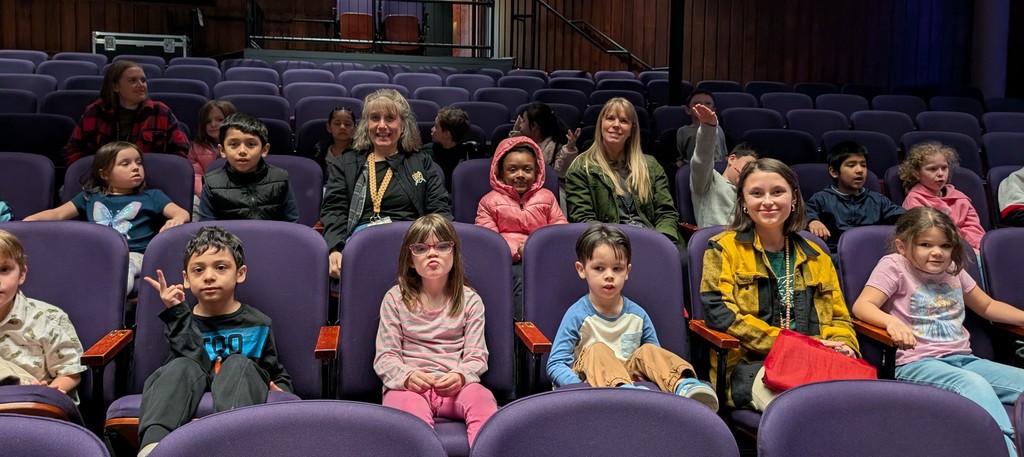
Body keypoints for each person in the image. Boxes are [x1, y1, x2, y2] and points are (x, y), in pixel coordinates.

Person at [851, 207, 1024, 457]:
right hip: (917, 363)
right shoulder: (895, 265)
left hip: (965, 361)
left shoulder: (953, 269)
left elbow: (987, 306)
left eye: (945, 246)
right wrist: (891, 323)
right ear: (902, 246)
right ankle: (1008, 447)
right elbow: (862, 305)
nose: (937, 252)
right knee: (973, 385)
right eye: (925, 244)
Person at [700, 158, 859, 411]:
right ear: (743, 201)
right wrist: (795, 347)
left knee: (861, 410)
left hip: (818, 363)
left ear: (793, 197)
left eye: (777, 192)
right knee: (800, 411)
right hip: (751, 366)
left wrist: (845, 346)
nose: (767, 201)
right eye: (756, 193)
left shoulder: (817, 256)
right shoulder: (723, 248)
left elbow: (839, 318)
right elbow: (720, 314)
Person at [136, 226, 292, 457]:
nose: (209, 276)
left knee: (238, 363)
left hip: (238, 403)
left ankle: (234, 449)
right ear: (186, 279)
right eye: (198, 270)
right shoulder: (181, 320)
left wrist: (283, 391)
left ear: (240, 273)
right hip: (188, 389)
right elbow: (191, 362)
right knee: (180, 366)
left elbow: (274, 373)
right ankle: (152, 449)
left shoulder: (258, 323)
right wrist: (177, 313)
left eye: (221, 267)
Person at [546, 224, 719, 411]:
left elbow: (654, 359)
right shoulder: (576, 315)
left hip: (630, 382)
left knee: (649, 351)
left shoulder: (638, 315)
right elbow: (556, 364)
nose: (609, 276)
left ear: (627, 271)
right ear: (582, 269)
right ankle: (625, 394)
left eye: (617, 269)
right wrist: (578, 386)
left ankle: (685, 386)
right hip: (590, 384)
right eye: (599, 268)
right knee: (597, 349)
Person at [373, 214, 497, 446]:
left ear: (454, 254)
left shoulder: (471, 300)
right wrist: (407, 377)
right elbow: (386, 356)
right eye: (421, 248)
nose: (432, 253)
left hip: (455, 386)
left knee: (482, 399)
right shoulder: (395, 298)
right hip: (407, 388)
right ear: (411, 260)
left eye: (442, 246)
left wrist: (460, 376)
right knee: (412, 423)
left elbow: (476, 355)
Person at [320, 89, 452, 278]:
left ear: (403, 125)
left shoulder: (421, 162)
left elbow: (439, 209)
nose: (382, 126)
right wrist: (334, 249)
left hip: (413, 250)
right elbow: (334, 210)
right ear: (366, 125)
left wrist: (437, 246)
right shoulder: (346, 163)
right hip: (362, 247)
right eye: (375, 118)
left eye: (390, 118)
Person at [24, 142, 190, 292]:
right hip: (97, 252)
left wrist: (177, 219)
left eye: (138, 163)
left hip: (134, 254)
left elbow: (182, 213)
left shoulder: (152, 196)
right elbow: (58, 214)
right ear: (104, 174)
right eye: (125, 164)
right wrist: (28, 222)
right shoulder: (90, 197)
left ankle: (108, 301)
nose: (135, 168)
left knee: (123, 268)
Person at [565, 97, 682, 245]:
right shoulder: (581, 167)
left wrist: (661, 242)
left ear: (632, 129)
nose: (616, 125)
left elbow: (666, 212)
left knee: (682, 257)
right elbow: (583, 219)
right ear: (601, 124)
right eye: (610, 118)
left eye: (624, 121)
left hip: (651, 239)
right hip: (607, 244)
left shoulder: (650, 166)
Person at [475, 136, 567, 318]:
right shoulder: (489, 202)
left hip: (543, 258)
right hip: (510, 261)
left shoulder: (547, 197)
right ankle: (521, 328)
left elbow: (559, 231)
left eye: (527, 169)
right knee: (520, 278)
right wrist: (519, 250)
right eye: (512, 170)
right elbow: (490, 241)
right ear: (501, 173)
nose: (520, 175)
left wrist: (536, 250)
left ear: (537, 172)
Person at [0, 229, 85, 400]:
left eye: (4, 269)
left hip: (34, 402)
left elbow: (71, 372)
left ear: (22, 274)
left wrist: (48, 393)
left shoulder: (49, 318)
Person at [63, 60, 190, 166]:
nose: (141, 85)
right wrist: (93, 174)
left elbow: (182, 151)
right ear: (115, 87)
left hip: (150, 177)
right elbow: (73, 151)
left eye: (143, 80)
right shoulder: (95, 111)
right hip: (102, 178)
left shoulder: (160, 111)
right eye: (132, 80)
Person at [806, 141, 904, 258]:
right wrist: (812, 221)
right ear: (834, 172)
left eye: (863, 165)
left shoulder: (877, 200)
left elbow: (903, 216)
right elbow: (804, 212)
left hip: (871, 253)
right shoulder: (822, 198)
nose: (860, 170)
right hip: (834, 256)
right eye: (851, 165)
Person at [197, 113, 299, 222]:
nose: (242, 151)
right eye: (234, 144)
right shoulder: (211, 183)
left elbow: (292, 223)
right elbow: (207, 228)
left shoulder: (280, 178)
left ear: (264, 150)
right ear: (222, 150)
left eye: (251, 144)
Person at [899, 141, 985, 252]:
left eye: (944, 168)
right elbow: (929, 235)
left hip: (972, 249)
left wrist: (977, 249)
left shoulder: (959, 197)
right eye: (932, 169)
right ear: (916, 174)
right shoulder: (914, 200)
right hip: (939, 251)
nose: (940, 173)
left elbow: (973, 228)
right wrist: (965, 249)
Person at [689, 103, 759, 228]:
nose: (749, 172)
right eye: (748, 166)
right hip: (716, 238)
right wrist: (708, 128)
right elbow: (702, 159)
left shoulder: (754, 192)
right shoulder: (708, 181)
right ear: (732, 159)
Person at [510, 102, 581, 181]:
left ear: (533, 126)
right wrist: (515, 134)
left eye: (523, 121)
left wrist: (569, 149)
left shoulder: (555, 147)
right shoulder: (521, 142)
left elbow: (560, 173)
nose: (520, 125)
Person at [425, 107, 482, 192]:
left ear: (446, 134)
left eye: (436, 127)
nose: (432, 129)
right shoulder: (426, 151)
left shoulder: (470, 155)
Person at [187, 100, 237, 196]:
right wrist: (206, 194)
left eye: (220, 120)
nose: (213, 124)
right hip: (207, 192)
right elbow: (196, 176)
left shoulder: (241, 146)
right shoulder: (196, 148)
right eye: (208, 121)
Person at [676, 89, 728, 167]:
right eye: (696, 103)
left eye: (708, 103)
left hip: (719, 168)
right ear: (688, 110)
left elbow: (725, 155)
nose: (702, 106)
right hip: (694, 169)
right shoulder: (683, 131)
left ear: (714, 110)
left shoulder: (718, 128)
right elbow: (680, 159)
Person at [311, 106, 356, 178]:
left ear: (355, 129)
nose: (342, 127)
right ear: (329, 128)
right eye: (337, 124)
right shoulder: (320, 150)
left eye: (347, 124)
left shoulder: (360, 152)